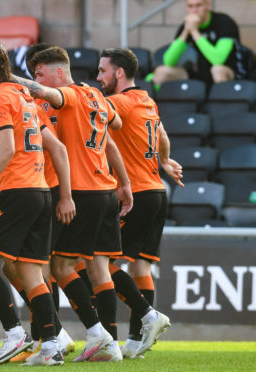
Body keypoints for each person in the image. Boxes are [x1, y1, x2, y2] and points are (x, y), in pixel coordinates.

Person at [14, 46, 172, 362]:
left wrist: (1, 76)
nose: (37, 80)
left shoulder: (71, 95)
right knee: (102, 266)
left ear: (59, 72)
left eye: (41, 72)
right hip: (107, 190)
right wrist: (126, 183)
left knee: (56, 265)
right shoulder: (98, 98)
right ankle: (125, 331)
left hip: (82, 191)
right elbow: (113, 133)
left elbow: (42, 92)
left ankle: (78, 335)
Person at [0, 39, 76, 366]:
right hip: (41, 191)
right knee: (31, 274)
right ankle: (49, 348)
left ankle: (14, 333)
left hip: (17, 192)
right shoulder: (22, 96)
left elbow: (7, 148)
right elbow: (3, 143)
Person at [98, 48, 182, 358]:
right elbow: (160, 133)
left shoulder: (117, 102)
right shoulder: (147, 99)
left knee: (100, 263)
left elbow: (88, 114)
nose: (98, 77)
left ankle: (148, 315)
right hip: (157, 192)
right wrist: (165, 161)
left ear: (119, 73)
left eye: (102, 71)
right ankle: (135, 341)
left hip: (137, 194)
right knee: (140, 265)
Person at [152, 0, 241, 86]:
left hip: (229, 72)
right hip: (200, 73)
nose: (194, 10)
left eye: (199, 5)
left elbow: (218, 60)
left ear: (208, 5)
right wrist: (186, 32)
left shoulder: (224, 22)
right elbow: (168, 61)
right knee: (162, 72)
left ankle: (223, 101)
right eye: (190, 6)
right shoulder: (187, 26)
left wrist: (194, 31)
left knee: (217, 70)